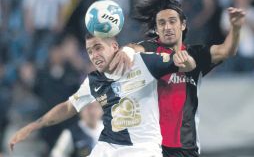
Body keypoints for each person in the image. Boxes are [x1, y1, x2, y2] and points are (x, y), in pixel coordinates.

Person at [9, 31, 196, 157]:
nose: (94, 55)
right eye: (90, 51)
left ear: (114, 47)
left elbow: (188, 65)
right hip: (109, 148)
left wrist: (184, 60)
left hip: (143, 149)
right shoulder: (93, 81)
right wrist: (33, 126)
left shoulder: (142, 62)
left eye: (98, 48)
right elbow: (68, 107)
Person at [109, 0, 245, 157]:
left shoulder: (196, 54)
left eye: (172, 21)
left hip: (187, 147)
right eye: (162, 23)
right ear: (156, 29)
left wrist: (235, 28)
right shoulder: (149, 49)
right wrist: (126, 51)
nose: (167, 27)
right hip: (152, 146)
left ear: (183, 25)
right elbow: (133, 49)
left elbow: (227, 50)